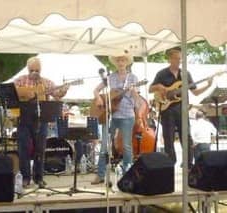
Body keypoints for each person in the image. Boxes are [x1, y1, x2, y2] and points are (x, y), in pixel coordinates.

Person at [149, 47, 213, 168]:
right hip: (167, 110)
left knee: (186, 137)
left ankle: (188, 165)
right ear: (170, 59)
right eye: (176, 58)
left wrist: (208, 85)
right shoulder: (162, 73)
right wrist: (159, 86)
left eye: (180, 59)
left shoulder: (186, 74)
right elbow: (150, 89)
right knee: (168, 138)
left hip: (182, 109)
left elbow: (196, 92)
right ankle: (170, 164)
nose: (179, 61)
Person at [14, 56, 68, 188]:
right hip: (24, 118)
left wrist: (63, 90)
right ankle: (25, 177)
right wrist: (27, 94)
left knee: (40, 149)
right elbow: (12, 93)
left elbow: (57, 94)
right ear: (28, 69)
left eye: (37, 70)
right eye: (32, 70)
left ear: (41, 70)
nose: (34, 73)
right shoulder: (20, 80)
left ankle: (38, 177)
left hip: (41, 118)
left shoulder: (46, 83)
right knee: (24, 149)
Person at [91, 51, 141, 184]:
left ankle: (127, 174)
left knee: (126, 145)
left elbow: (138, 100)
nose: (120, 63)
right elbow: (96, 90)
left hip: (127, 115)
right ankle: (100, 175)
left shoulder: (133, 78)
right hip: (110, 115)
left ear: (126, 62)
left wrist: (134, 92)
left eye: (123, 60)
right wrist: (99, 99)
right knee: (104, 146)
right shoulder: (110, 77)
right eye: (118, 60)